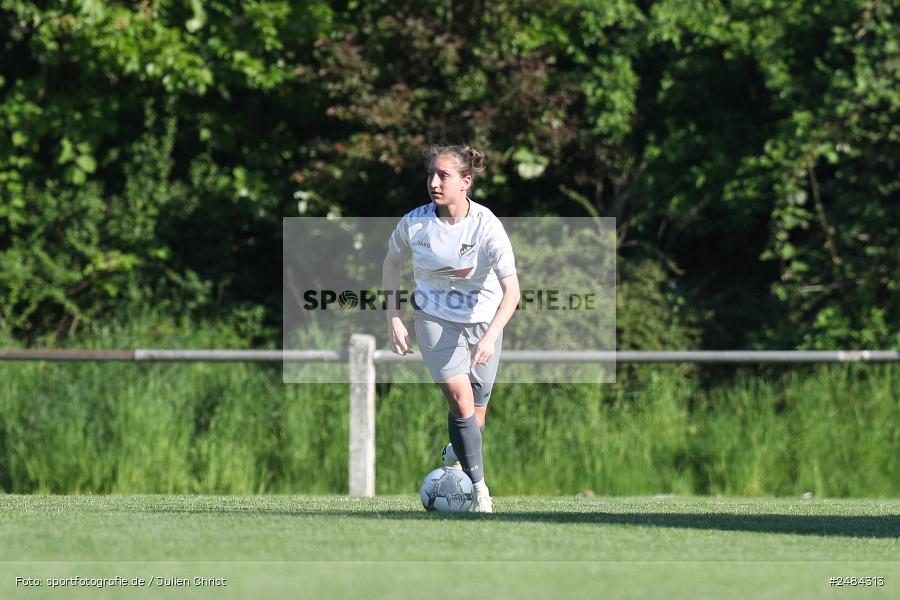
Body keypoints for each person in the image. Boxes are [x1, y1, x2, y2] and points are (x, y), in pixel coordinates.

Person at [382, 144, 520, 513]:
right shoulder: (415, 223)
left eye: (443, 175)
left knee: (475, 416)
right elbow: (391, 264)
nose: (434, 182)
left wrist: (490, 336)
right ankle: (481, 492)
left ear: (466, 182)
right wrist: (394, 316)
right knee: (459, 401)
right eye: (431, 174)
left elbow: (513, 293)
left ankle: (456, 452)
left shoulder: (487, 226)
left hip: (484, 323)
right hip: (434, 319)